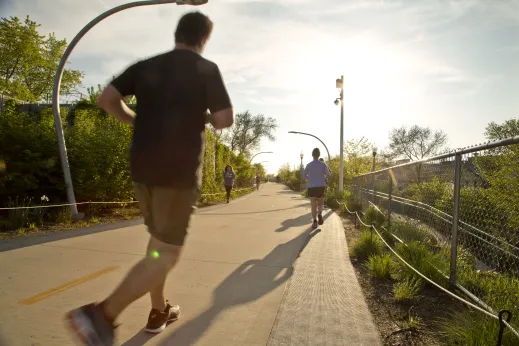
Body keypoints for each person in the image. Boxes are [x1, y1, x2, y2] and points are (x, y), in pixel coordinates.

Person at [65, 11, 234, 346]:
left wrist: (136, 121)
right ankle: (101, 315)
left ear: (177, 35)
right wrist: (201, 115)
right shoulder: (205, 69)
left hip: (142, 170)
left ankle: (159, 310)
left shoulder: (146, 66)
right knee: (168, 252)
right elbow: (224, 119)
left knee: (158, 244)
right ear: (203, 39)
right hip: (177, 172)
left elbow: (107, 100)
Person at [304, 148, 331, 229]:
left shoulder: (308, 165)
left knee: (313, 205)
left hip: (312, 187)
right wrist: (324, 178)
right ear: (319, 155)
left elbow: (304, 176)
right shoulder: (323, 164)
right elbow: (328, 174)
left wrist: (310, 178)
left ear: (312, 155)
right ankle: (319, 214)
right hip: (321, 186)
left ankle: (315, 221)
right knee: (320, 203)